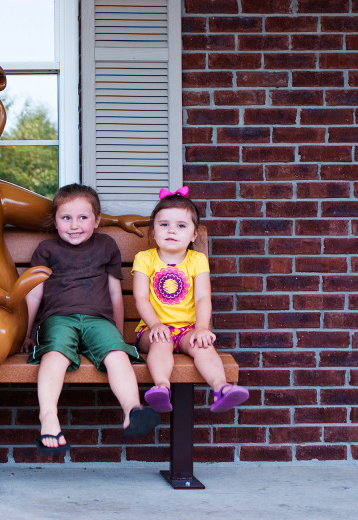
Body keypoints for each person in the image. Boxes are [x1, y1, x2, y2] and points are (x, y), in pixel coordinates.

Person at [23, 183, 160, 454]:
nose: (74, 225)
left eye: (83, 218)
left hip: (99, 320)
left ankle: (132, 410)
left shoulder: (106, 246)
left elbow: (115, 293)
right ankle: (48, 417)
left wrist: (118, 334)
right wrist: (26, 334)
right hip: (58, 318)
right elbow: (34, 295)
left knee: (117, 355)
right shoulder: (46, 249)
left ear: (97, 220)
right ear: (55, 221)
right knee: (55, 354)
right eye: (66, 218)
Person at [133, 187, 249, 414]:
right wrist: (156, 325)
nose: (172, 230)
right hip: (151, 329)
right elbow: (140, 298)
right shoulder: (145, 259)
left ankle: (221, 388)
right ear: (153, 231)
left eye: (181, 226)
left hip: (188, 330)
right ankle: (161, 388)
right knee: (162, 342)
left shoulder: (197, 260)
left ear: (194, 235)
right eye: (164, 224)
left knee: (204, 346)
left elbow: (204, 297)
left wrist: (202, 329)